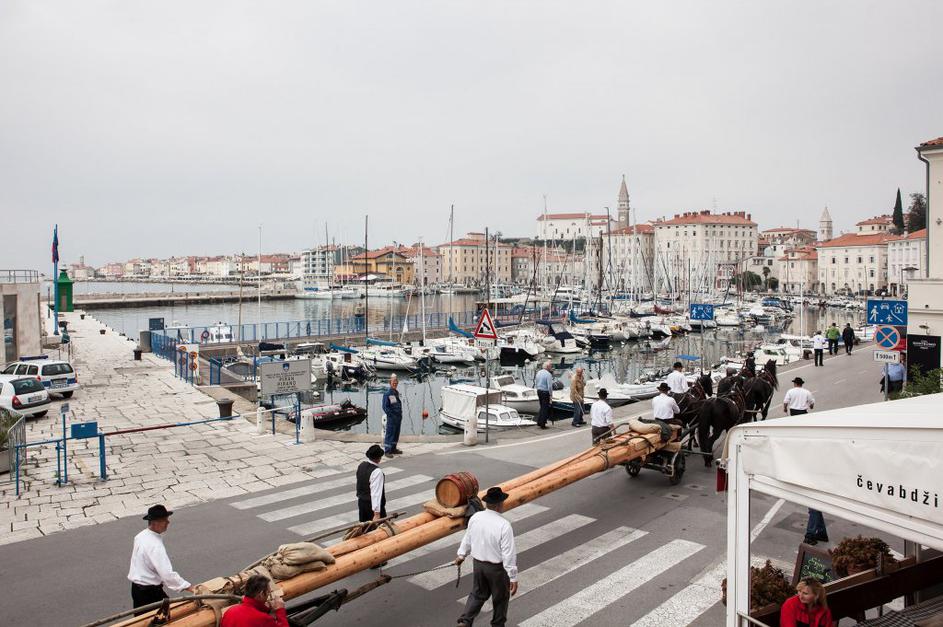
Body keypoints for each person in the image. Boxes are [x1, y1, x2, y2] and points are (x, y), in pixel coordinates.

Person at [455, 487, 518, 627]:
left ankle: (465, 621)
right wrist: (513, 576)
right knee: (500, 598)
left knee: (477, 594)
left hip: (478, 565)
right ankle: (497, 625)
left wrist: (461, 555)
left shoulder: (476, 517)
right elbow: (508, 553)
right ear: (499, 504)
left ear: (487, 503)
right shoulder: (504, 525)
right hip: (496, 569)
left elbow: (468, 538)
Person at [128, 504, 193, 614]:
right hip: (149, 592)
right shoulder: (155, 545)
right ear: (155, 523)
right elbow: (167, 574)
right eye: (165, 520)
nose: (168, 522)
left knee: (141, 617)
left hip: (136, 589)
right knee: (164, 616)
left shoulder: (140, 536)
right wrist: (190, 587)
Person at [220, 574, 288, 627]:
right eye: (268, 592)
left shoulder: (230, 612)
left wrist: (266, 609)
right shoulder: (263, 618)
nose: (268, 596)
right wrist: (280, 610)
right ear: (261, 594)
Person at [356, 445, 386, 523]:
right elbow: (376, 493)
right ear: (379, 458)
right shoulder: (377, 472)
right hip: (371, 506)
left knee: (364, 526)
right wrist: (376, 513)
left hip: (361, 503)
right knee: (379, 529)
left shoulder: (361, 465)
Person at [381, 374, 403, 458]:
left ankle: (393, 448)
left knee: (396, 433)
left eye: (396, 381)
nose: (395, 383)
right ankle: (387, 451)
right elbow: (385, 407)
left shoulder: (395, 392)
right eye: (393, 381)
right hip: (392, 418)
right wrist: (391, 415)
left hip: (398, 417)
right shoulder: (387, 393)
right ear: (390, 383)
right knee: (390, 434)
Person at [535, 361, 554, 429]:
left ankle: (539, 421)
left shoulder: (539, 372)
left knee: (542, 407)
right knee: (545, 408)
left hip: (539, 391)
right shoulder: (548, 374)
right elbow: (549, 386)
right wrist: (551, 394)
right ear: (547, 367)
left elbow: (536, 382)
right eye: (550, 366)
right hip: (545, 392)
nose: (551, 367)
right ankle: (542, 424)